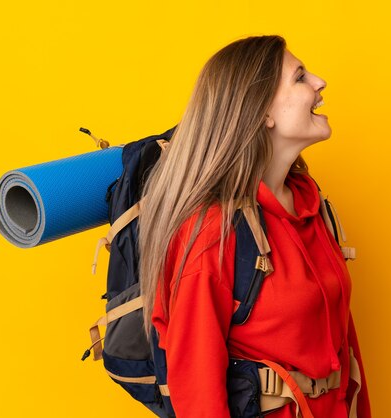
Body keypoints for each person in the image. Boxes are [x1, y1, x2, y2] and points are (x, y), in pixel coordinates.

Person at [138, 35, 371, 418]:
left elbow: (345, 354)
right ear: (262, 112)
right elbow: (198, 398)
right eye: (300, 77)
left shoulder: (311, 203)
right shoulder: (211, 232)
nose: (319, 82)